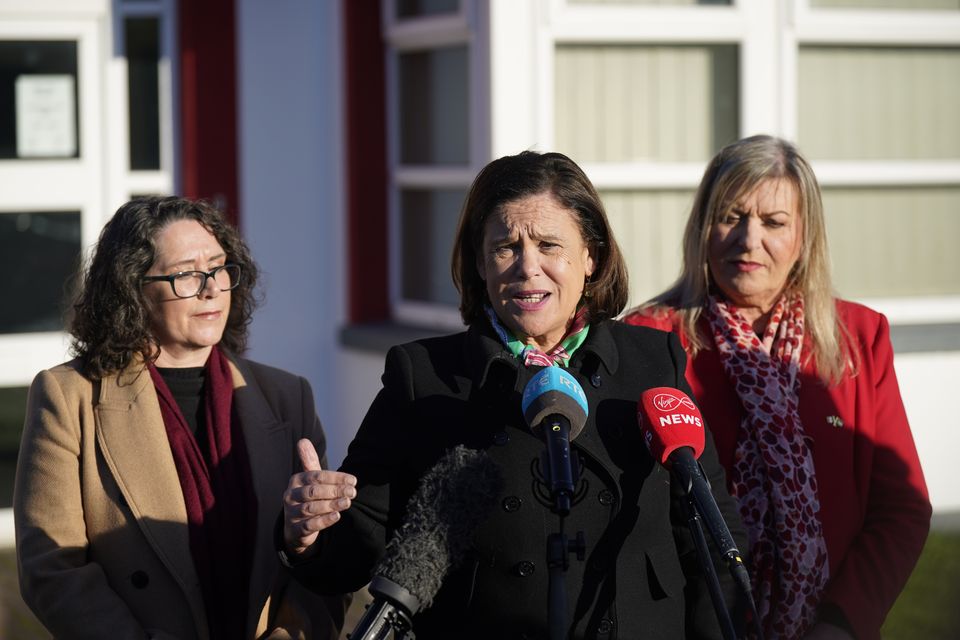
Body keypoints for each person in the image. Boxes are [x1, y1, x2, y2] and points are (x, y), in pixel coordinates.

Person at [279, 151, 748, 639]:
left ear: (592, 256)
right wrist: (307, 536)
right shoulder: (424, 377)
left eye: (550, 245)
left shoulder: (653, 362)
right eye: (505, 247)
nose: (528, 268)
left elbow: (711, 542)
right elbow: (357, 547)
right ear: (480, 262)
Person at [622, 135, 932, 640]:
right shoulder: (647, 339)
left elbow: (901, 507)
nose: (748, 240)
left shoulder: (858, 337)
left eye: (774, 223)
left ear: (805, 237)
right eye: (730, 216)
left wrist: (840, 624)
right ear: (702, 227)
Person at [14, 196, 349, 639]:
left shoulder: (287, 396)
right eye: (187, 274)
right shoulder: (69, 397)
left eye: (219, 267)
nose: (211, 288)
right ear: (133, 288)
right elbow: (53, 568)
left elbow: (325, 563)